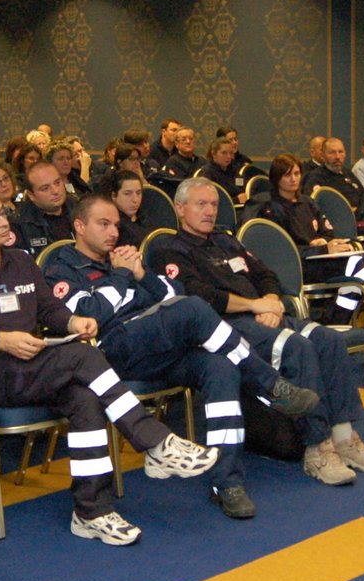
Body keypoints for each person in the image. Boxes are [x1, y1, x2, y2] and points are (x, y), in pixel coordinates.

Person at [0, 182, 219, 545]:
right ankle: (153, 440)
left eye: (2, 213)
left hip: (34, 365)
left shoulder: (19, 261)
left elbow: (49, 308)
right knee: (82, 356)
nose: (3, 223)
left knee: (84, 396)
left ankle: (91, 510)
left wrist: (71, 322)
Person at [43, 194, 317, 518]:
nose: (114, 232)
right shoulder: (61, 269)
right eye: (104, 224)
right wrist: (121, 276)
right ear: (79, 226)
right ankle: (269, 384)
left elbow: (173, 294)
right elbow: (89, 318)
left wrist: (142, 275)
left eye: (116, 224)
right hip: (111, 353)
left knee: (220, 366)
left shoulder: (122, 260)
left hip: (157, 345)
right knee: (192, 309)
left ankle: (226, 483)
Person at [150, 179, 364, 486]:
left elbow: (265, 274)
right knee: (298, 347)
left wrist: (272, 302)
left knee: (327, 340)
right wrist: (255, 304)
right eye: (200, 204)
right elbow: (199, 296)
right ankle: (318, 448)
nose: (209, 211)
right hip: (224, 328)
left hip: (264, 314)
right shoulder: (170, 250)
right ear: (180, 209)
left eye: (213, 204)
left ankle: (344, 439)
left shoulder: (226, 241)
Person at [258, 154, 364, 325]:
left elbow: (327, 231)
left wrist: (325, 242)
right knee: (359, 270)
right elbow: (284, 251)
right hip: (297, 267)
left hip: (320, 259)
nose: (293, 179)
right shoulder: (271, 209)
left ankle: (336, 322)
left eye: (297, 173)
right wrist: (321, 249)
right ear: (276, 179)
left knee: (356, 274)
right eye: (287, 175)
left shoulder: (308, 203)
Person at [12, 161, 74, 254]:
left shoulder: (80, 210)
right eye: (45, 188)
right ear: (31, 195)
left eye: (57, 183)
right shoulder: (19, 225)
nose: (55, 191)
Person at [303, 137, 363, 213]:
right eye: (332, 152)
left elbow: (363, 196)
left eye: (341, 152)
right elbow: (313, 206)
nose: (337, 157)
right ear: (323, 155)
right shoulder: (316, 177)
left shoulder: (348, 174)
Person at [107, 170, 159, 249]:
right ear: (114, 196)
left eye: (138, 193)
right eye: (127, 194)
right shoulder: (112, 226)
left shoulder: (147, 218)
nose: (135, 199)